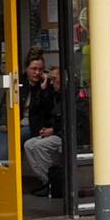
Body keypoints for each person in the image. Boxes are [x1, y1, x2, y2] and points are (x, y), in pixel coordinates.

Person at [24, 66, 64, 197]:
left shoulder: (70, 95)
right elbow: (44, 108)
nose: (52, 83)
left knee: (39, 146)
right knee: (29, 145)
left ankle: (54, 183)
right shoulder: (53, 93)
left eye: (54, 79)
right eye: (50, 79)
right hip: (54, 131)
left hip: (63, 134)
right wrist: (43, 88)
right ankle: (47, 181)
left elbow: (72, 121)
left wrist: (53, 130)